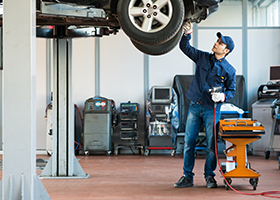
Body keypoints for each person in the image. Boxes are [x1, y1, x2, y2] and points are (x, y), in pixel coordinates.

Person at [174, 22, 236, 188]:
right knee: (189, 143)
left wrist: (223, 96)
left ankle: (210, 176)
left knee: (211, 145)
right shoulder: (202, 57)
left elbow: (232, 90)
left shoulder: (230, 70)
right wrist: (187, 34)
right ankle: (187, 177)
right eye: (217, 41)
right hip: (195, 106)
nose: (216, 43)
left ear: (226, 51)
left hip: (212, 110)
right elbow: (185, 48)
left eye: (221, 43)